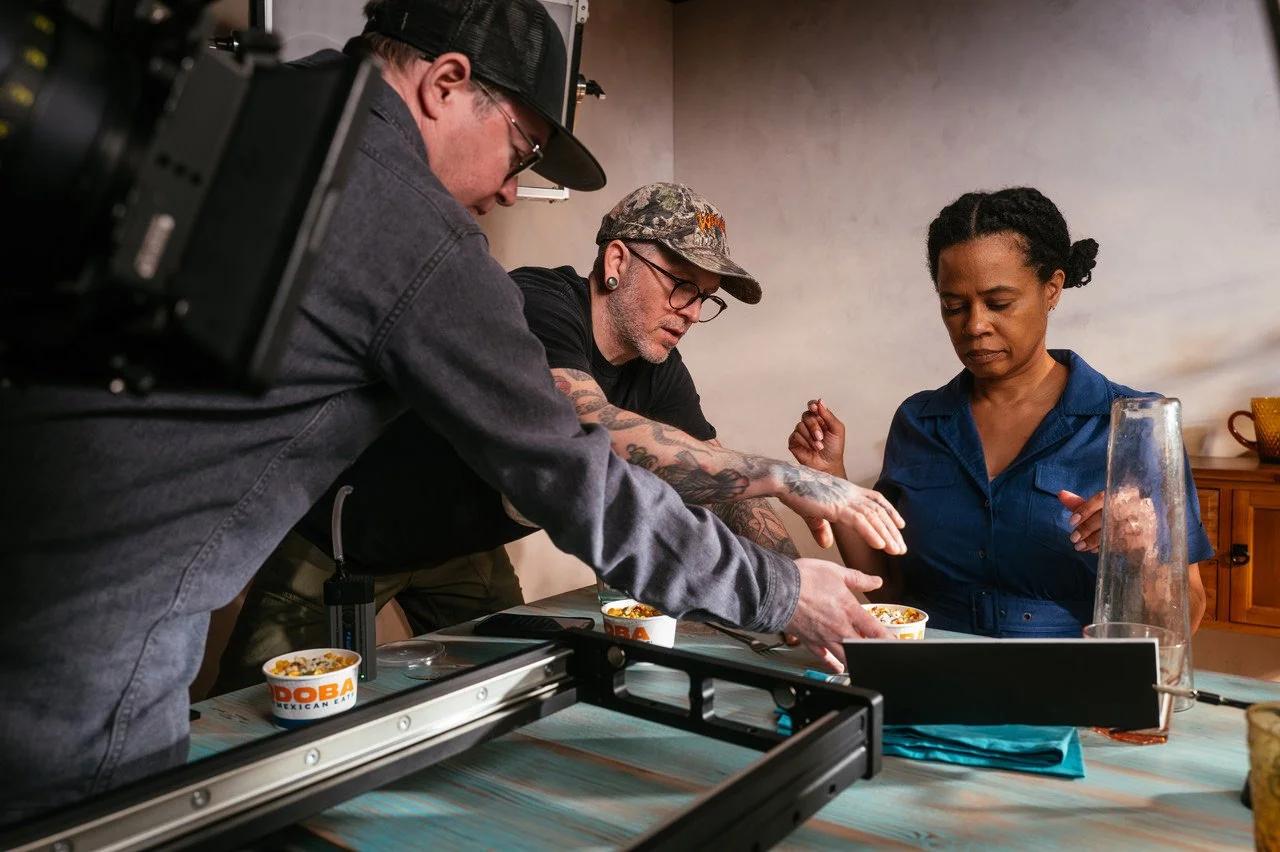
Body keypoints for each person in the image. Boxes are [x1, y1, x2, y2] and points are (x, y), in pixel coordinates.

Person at [0, 0, 903, 824]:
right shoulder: (436, 247)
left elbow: (702, 475)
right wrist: (780, 591)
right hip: (108, 652)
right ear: (444, 84)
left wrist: (808, 568)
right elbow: (582, 468)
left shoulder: (275, 105)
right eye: (519, 149)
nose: (514, 189)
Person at [214, 181, 844, 693]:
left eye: (705, 299)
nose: (689, 311)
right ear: (617, 260)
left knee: (516, 678)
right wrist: (782, 474)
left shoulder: (659, 367)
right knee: (252, 713)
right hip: (345, 538)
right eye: (680, 284)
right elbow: (586, 422)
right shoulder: (534, 304)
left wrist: (797, 594)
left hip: (464, 545)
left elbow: (716, 482)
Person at [789, 187, 1211, 638]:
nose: (974, 325)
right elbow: (890, 588)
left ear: (1052, 288)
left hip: (1075, 687)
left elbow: (1184, 619)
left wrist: (1143, 552)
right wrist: (831, 479)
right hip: (931, 677)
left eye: (999, 303)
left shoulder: (1132, 425)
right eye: (954, 306)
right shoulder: (918, 421)